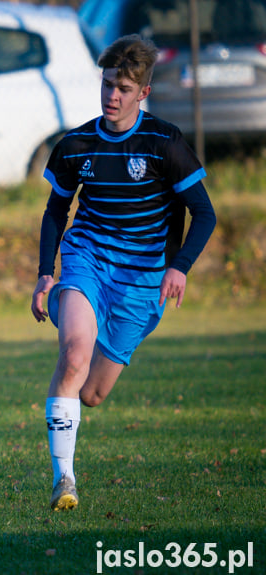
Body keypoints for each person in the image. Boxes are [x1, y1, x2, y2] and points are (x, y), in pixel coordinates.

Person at [30, 34, 216, 511]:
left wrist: (179, 267)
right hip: (86, 259)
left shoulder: (163, 143)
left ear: (143, 93)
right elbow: (56, 211)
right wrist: (45, 274)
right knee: (74, 357)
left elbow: (204, 213)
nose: (113, 95)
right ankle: (63, 480)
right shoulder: (77, 144)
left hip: (141, 281)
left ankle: (68, 394)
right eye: (108, 84)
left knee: (91, 393)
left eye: (124, 88)